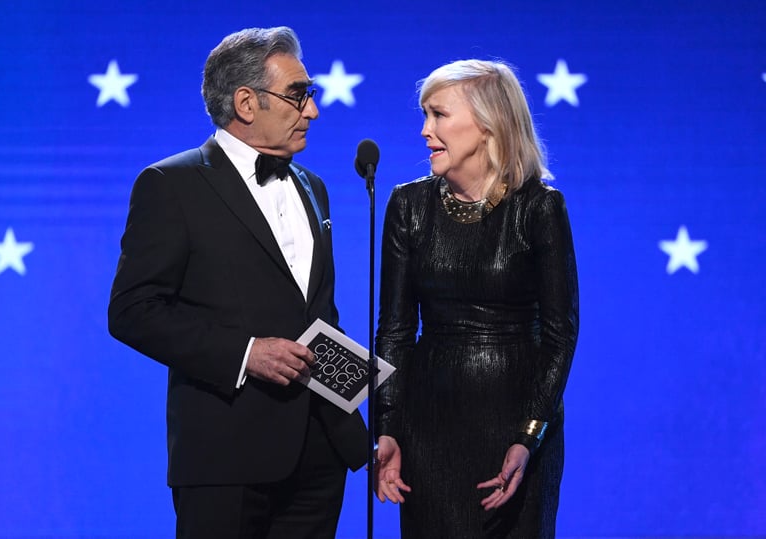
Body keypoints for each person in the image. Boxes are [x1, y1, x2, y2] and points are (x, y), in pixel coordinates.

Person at [107, 26, 367, 539]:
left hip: (320, 453)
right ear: (246, 102)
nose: (312, 110)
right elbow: (133, 310)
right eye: (298, 95)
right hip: (226, 457)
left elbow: (316, 315)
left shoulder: (313, 186)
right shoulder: (171, 184)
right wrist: (246, 354)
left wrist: (361, 424)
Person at [373, 59, 579, 538]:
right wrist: (388, 426)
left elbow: (560, 333)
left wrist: (530, 434)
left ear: (487, 123)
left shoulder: (540, 208)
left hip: (517, 422)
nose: (425, 131)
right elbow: (396, 331)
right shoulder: (408, 206)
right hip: (429, 424)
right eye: (424, 115)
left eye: (438, 115)